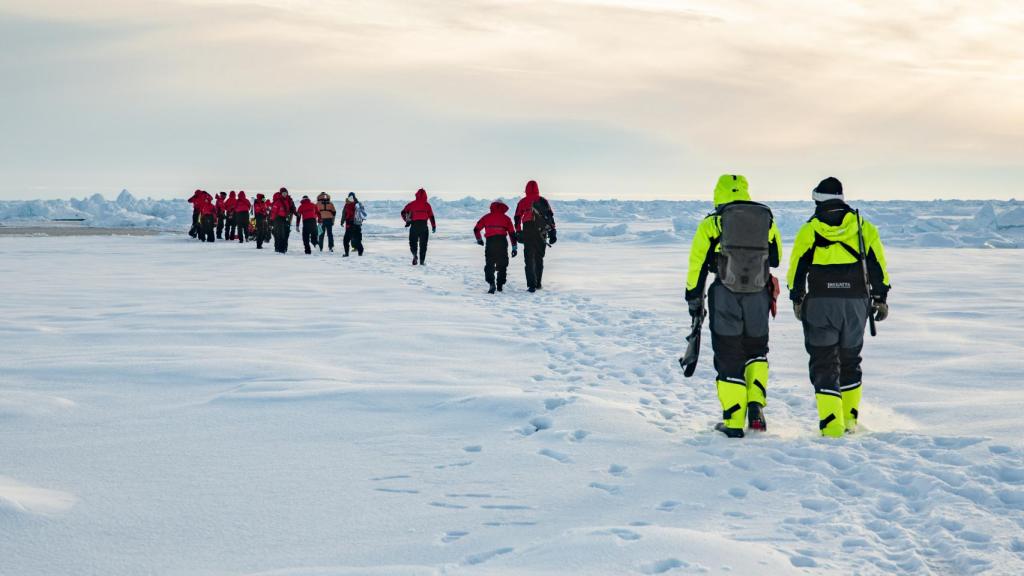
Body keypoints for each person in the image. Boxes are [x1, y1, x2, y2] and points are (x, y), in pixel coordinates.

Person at [788, 177, 891, 437]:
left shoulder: (810, 229)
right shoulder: (863, 227)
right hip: (856, 304)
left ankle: (831, 426)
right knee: (850, 361)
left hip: (820, 305)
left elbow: (797, 266)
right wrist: (880, 297)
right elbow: (878, 264)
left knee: (824, 362)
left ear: (818, 200)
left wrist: (797, 297)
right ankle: (849, 423)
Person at [685, 174, 783, 438]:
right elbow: (776, 258)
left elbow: (697, 263)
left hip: (725, 295)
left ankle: (734, 421)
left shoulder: (714, 222)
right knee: (756, 351)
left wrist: (693, 298)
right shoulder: (765, 219)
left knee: (729, 354)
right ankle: (756, 405)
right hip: (758, 295)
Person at [513, 180, 556, 293]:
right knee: (539, 258)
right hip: (541, 232)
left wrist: (518, 232)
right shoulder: (543, 201)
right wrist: (553, 232)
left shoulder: (522, 201)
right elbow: (550, 217)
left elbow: (517, 218)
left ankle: (531, 285)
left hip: (528, 230)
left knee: (529, 259)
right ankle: (538, 284)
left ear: (526, 189)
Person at [473, 201, 518, 293]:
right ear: (503, 208)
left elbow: (476, 229)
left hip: (490, 242)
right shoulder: (506, 218)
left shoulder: (486, 217)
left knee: (490, 263)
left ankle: (491, 283)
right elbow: (512, 234)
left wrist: (479, 240)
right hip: (502, 242)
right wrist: (514, 247)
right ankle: (500, 285)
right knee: (502, 264)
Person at [401, 188, 436, 265]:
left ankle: (414, 255)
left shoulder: (411, 204)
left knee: (413, 242)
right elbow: (431, 216)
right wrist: (434, 226)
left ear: (417, 195)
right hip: (424, 226)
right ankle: (422, 261)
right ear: (425, 195)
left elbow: (403, 212)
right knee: (423, 245)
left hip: (414, 226)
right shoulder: (427, 205)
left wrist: (407, 220)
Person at [271, 188, 296, 253]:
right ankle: (280, 249)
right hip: (278, 219)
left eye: (285, 193)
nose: (284, 194)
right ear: (281, 194)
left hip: (286, 219)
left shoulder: (289, 201)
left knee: (286, 234)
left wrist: (296, 213)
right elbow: (274, 211)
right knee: (280, 234)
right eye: (283, 193)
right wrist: (272, 220)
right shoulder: (278, 201)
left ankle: (284, 248)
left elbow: (292, 209)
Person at [341, 192, 366, 257]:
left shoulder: (347, 204)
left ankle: (346, 253)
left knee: (346, 240)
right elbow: (362, 214)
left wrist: (342, 221)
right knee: (357, 239)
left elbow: (344, 213)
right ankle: (360, 252)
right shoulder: (358, 204)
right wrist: (360, 222)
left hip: (350, 224)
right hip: (357, 224)